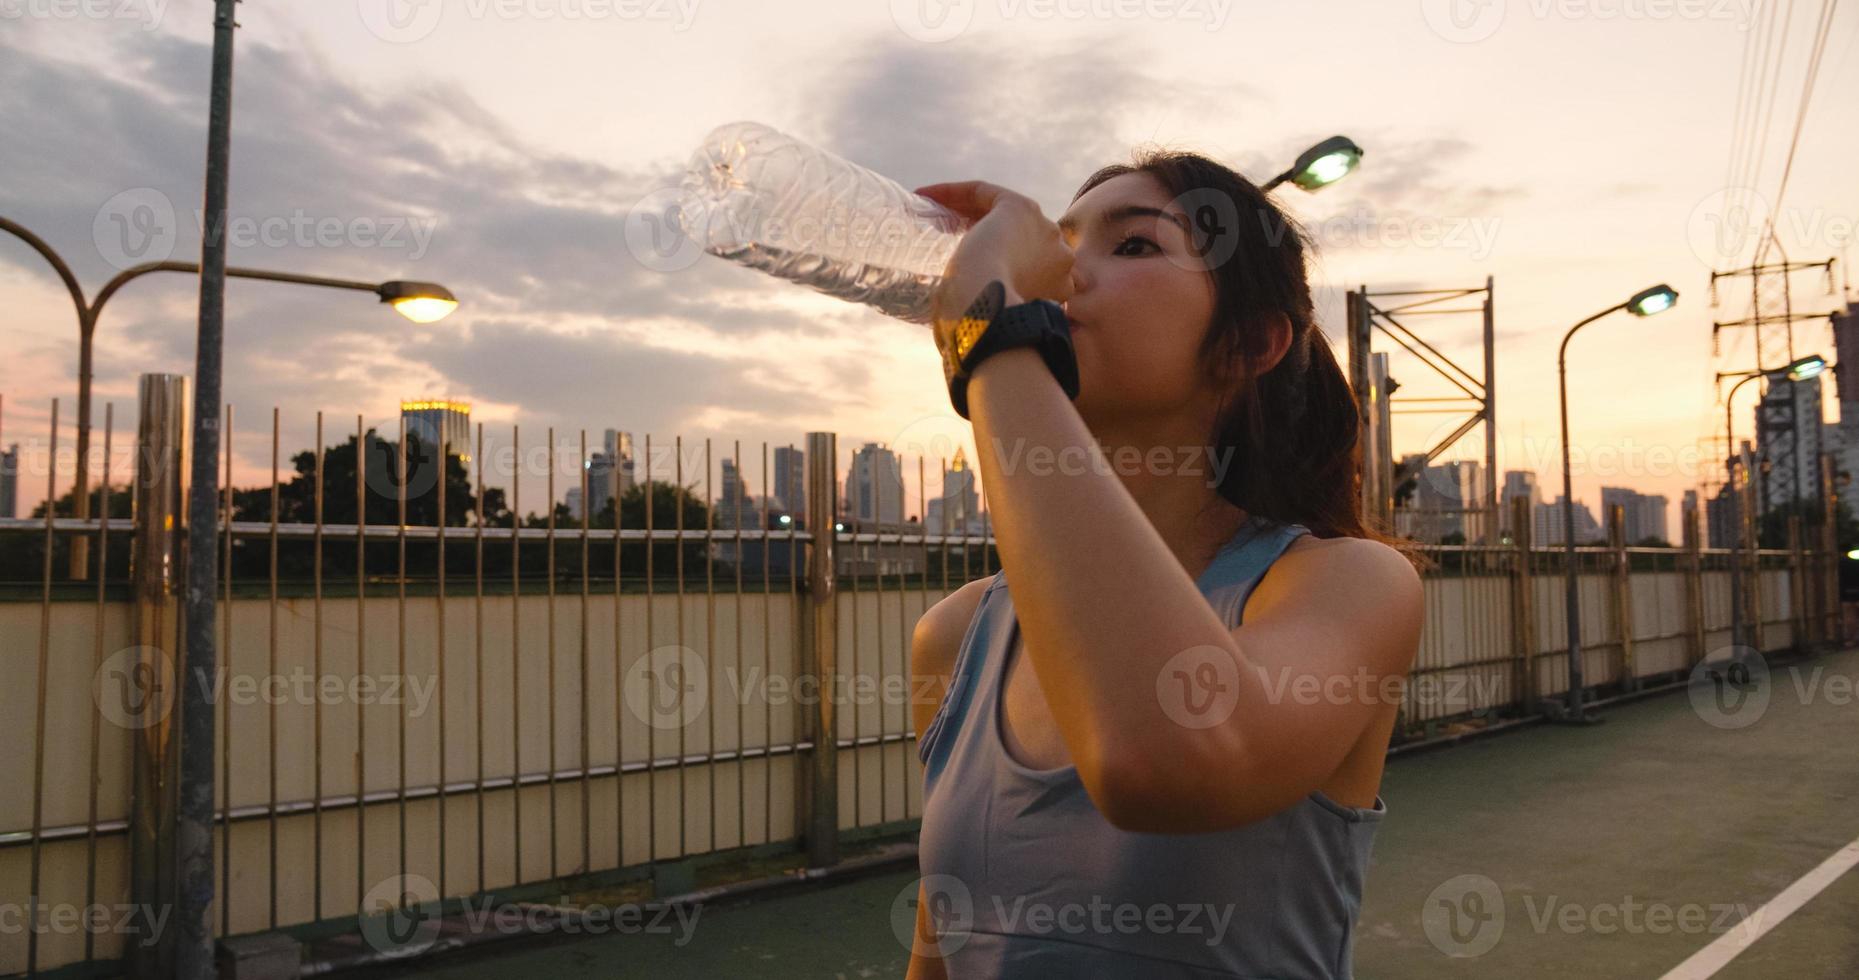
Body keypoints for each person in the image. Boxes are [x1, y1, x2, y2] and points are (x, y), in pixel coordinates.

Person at [904, 150, 1426, 979]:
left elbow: (1168, 758)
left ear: (1246, 343)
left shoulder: (1348, 585)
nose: (1065, 272)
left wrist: (993, 334)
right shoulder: (955, 635)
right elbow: (941, 952)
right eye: (1061, 244)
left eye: (1135, 246)